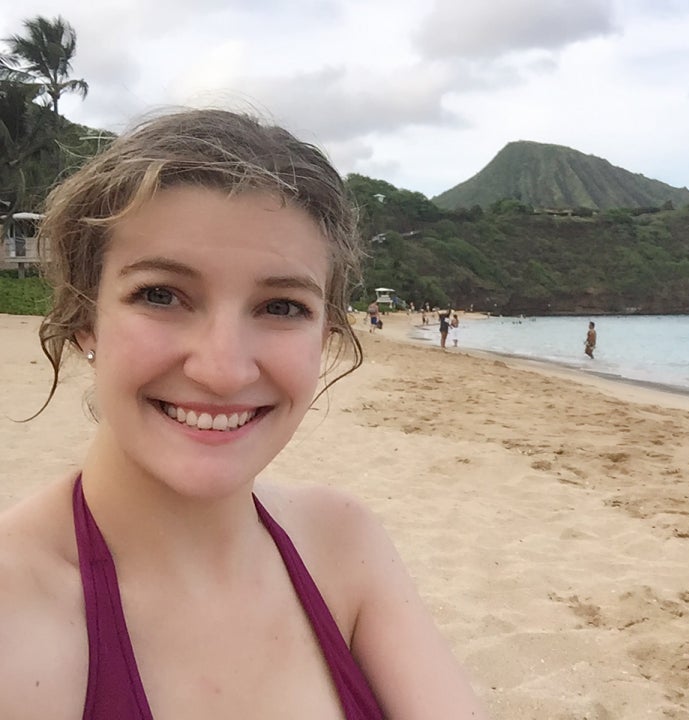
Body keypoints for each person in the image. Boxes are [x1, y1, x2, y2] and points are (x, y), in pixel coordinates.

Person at [0, 109, 486, 720]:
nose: (223, 370)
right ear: (82, 319)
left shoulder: (342, 544)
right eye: (160, 295)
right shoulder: (15, 617)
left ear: (325, 335)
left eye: (281, 306)